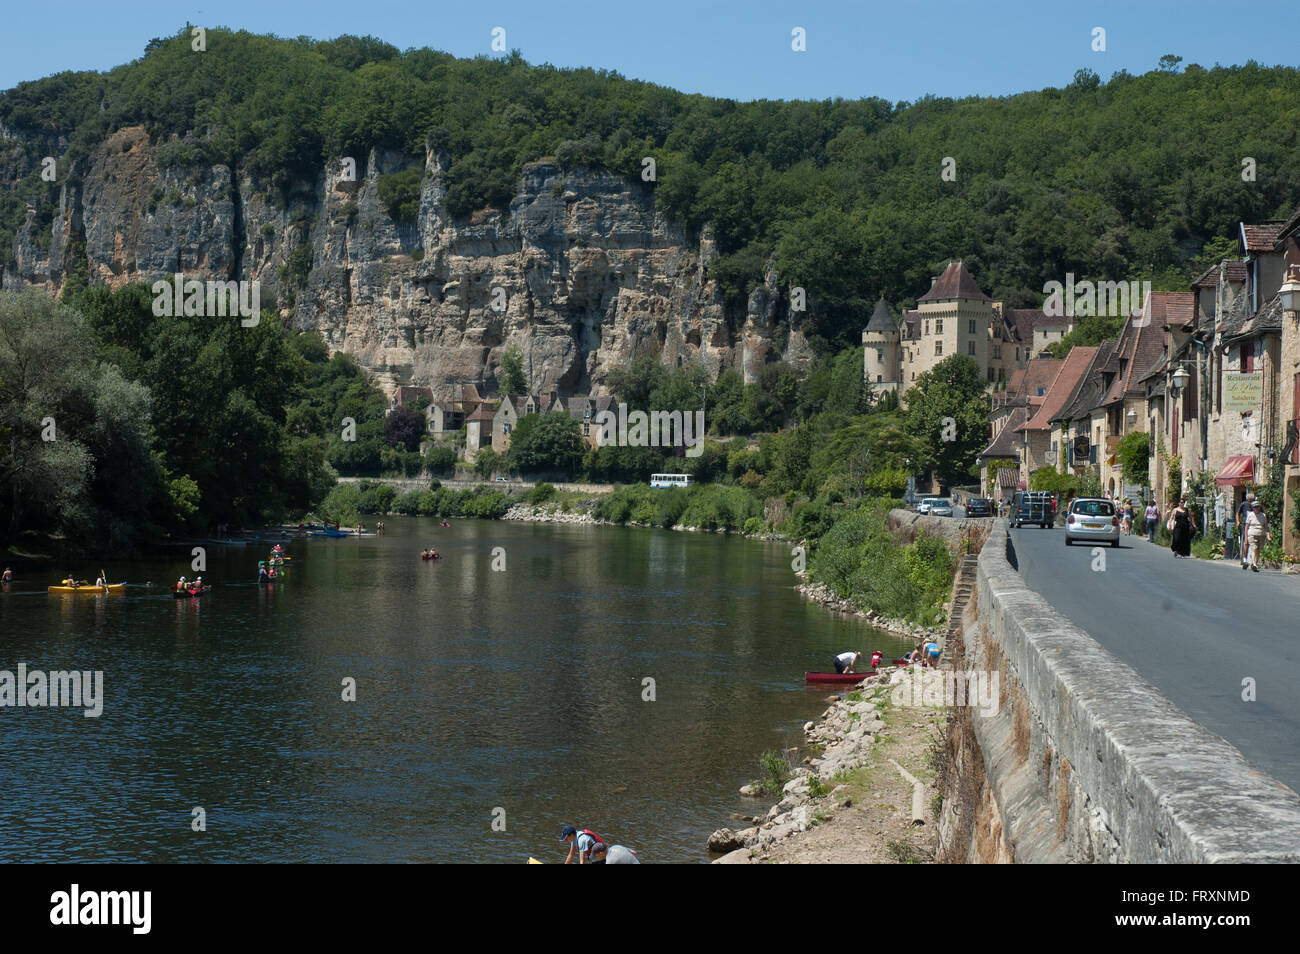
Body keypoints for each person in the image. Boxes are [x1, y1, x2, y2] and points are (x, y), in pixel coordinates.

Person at [1244, 500, 1270, 572]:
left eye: (1257, 507)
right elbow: (1246, 526)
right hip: (1252, 533)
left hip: (1261, 534)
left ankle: (1254, 563)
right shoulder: (1250, 515)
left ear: (1259, 507)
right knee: (1254, 548)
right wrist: (1246, 536)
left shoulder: (1263, 515)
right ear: (1252, 508)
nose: (1256, 508)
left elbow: (1266, 526)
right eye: (1255, 507)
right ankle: (1255, 564)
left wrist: (1268, 535)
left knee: (1258, 550)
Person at [1238, 493, 1255, 568]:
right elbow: (1237, 513)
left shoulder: (1256, 506)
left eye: (1252, 501)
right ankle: (1244, 560)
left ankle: (1252, 561)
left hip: (1254, 525)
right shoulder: (1243, 504)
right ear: (1247, 500)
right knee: (1246, 542)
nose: (1250, 503)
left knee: (1253, 543)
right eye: (1249, 501)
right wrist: (1238, 521)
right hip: (1245, 525)